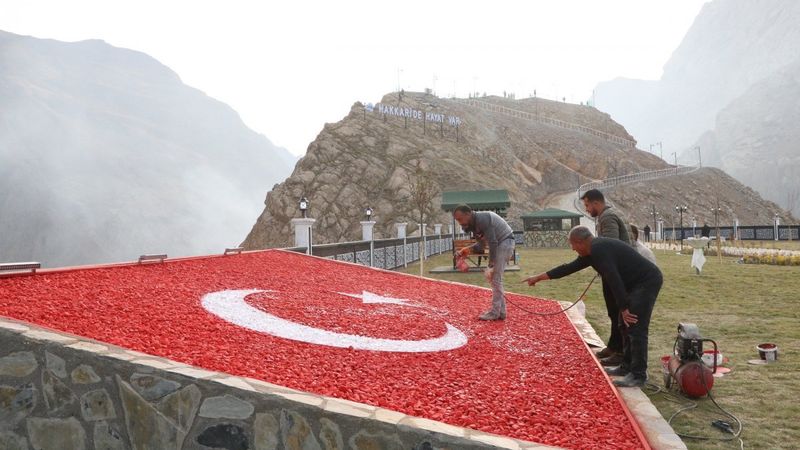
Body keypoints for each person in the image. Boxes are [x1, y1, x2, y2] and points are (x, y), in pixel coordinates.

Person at [523, 226, 662, 387]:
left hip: (646, 282)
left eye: (573, 245)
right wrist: (537, 278)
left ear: (580, 242)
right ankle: (626, 367)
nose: (572, 249)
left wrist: (623, 308)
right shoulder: (591, 252)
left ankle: (638, 375)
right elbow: (567, 268)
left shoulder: (598, 250)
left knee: (634, 325)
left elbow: (613, 279)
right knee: (623, 325)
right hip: (633, 284)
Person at [580, 189, 631, 366]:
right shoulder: (613, 212)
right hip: (617, 270)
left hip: (617, 273)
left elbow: (610, 248)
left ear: (595, 203)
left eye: (587, 205)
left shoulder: (607, 217)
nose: (586, 209)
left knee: (619, 313)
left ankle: (620, 352)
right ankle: (613, 345)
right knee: (613, 312)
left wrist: (601, 264)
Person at [453, 204, 515, 320]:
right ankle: (501, 312)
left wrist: (491, 264)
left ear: (468, 214)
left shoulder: (482, 219)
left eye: (460, 219)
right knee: (495, 280)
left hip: (505, 242)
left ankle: (495, 313)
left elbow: (493, 242)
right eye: (457, 220)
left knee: (496, 279)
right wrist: (466, 250)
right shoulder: (475, 225)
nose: (460, 223)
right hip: (502, 243)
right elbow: (481, 244)